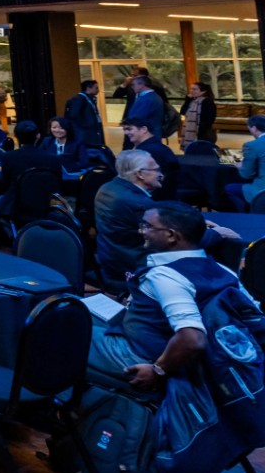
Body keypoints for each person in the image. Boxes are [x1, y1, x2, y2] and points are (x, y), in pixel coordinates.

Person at [87, 205, 255, 397]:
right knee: (87, 314)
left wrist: (158, 370)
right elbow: (253, 313)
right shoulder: (224, 271)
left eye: (148, 226)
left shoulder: (165, 277)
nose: (141, 231)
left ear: (171, 236)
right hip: (182, 351)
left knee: (64, 326)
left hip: (143, 355)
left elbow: (192, 339)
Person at [93, 150, 163, 293]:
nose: (160, 174)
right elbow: (167, 239)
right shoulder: (138, 203)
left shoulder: (108, 188)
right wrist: (215, 234)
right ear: (140, 174)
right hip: (133, 266)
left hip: (110, 259)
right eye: (156, 169)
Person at [122, 116, 180, 198]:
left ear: (144, 129)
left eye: (129, 129)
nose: (126, 133)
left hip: (156, 200)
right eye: (124, 130)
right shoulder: (157, 148)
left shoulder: (148, 152)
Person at [121, 74, 165, 149]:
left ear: (141, 85)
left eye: (133, 85)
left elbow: (137, 118)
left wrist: (127, 123)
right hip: (149, 134)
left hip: (148, 136)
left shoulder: (148, 99)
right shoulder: (151, 97)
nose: (132, 87)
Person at [231, 114, 265, 211]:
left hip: (261, 190)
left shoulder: (252, 145)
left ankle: (245, 215)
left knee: (230, 188)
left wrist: (240, 166)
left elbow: (246, 175)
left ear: (254, 128)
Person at [65, 77, 105, 146]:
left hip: (92, 129)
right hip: (85, 132)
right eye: (96, 88)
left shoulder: (90, 98)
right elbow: (73, 115)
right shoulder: (79, 99)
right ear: (88, 88)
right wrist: (86, 125)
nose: (98, 90)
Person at [179, 80, 216, 148]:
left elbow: (209, 119)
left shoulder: (207, 102)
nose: (191, 91)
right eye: (191, 89)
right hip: (190, 132)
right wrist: (187, 100)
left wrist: (200, 130)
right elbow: (183, 112)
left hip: (203, 134)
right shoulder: (192, 101)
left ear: (203, 91)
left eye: (195, 89)